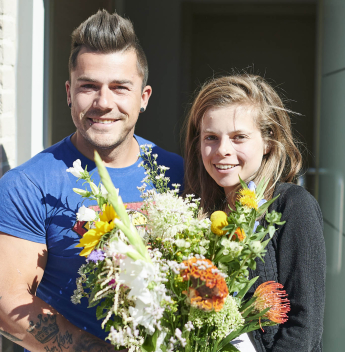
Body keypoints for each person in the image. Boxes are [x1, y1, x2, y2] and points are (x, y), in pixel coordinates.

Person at [0, 10, 183, 352]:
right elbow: (8, 304)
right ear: (70, 92)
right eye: (89, 87)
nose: (103, 103)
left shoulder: (178, 174)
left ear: (143, 98)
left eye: (119, 88)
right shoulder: (27, 185)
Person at [183, 74, 325, 351]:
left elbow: (303, 328)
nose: (222, 150)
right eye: (211, 137)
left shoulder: (293, 206)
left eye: (239, 138)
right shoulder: (201, 213)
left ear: (269, 141)